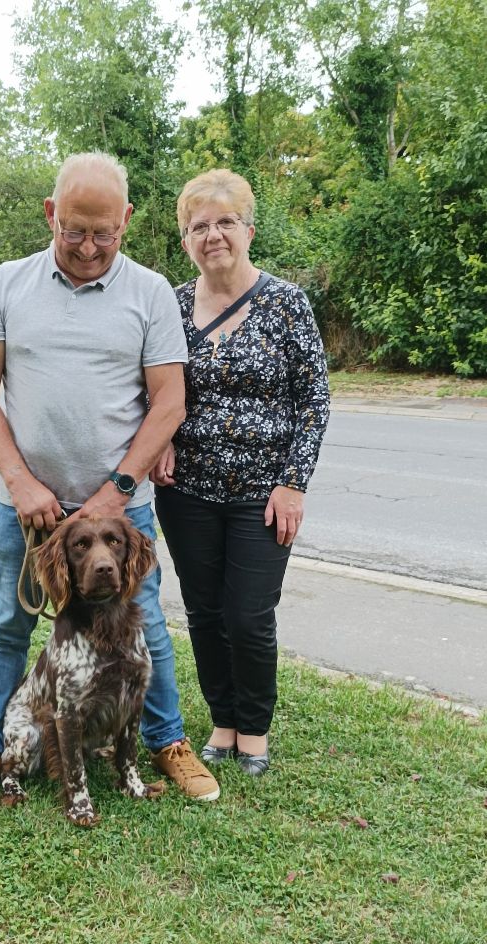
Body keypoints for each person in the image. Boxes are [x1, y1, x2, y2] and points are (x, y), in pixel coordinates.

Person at [0, 152, 221, 812]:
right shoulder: (6, 285)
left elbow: (169, 402)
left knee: (145, 625)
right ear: (51, 214)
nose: (91, 246)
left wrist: (117, 490)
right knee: (9, 622)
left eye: (106, 233)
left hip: (120, 509)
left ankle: (167, 741)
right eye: (75, 230)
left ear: (126, 220)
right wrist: (19, 481)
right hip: (29, 510)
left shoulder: (150, 291)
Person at [151, 169, 330, 777]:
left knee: (248, 615)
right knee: (203, 611)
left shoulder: (286, 304)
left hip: (264, 494)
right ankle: (221, 721)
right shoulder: (169, 306)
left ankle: (253, 728)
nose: (213, 234)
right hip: (187, 492)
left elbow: (314, 400)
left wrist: (293, 481)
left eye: (225, 221)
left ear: (249, 230)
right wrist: (160, 439)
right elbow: (149, 385)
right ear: (185, 241)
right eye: (198, 225)